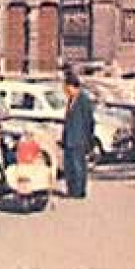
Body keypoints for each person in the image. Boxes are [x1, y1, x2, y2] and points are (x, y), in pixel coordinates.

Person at [60, 70, 95, 198]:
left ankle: (79, 190)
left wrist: (88, 139)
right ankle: (71, 189)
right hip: (69, 138)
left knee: (78, 165)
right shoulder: (70, 100)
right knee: (69, 166)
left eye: (66, 87)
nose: (65, 90)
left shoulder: (83, 100)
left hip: (79, 139)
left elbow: (89, 120)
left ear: (72, 86)